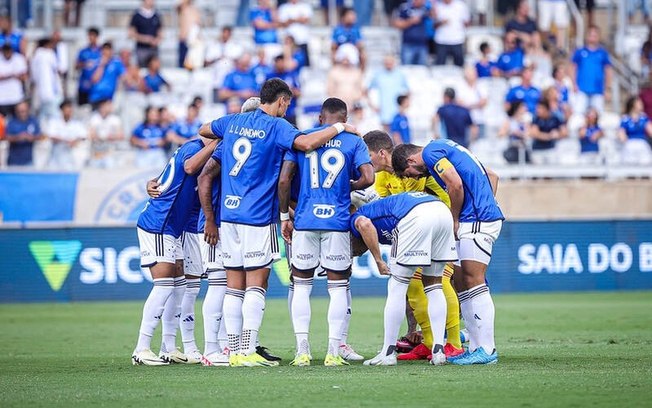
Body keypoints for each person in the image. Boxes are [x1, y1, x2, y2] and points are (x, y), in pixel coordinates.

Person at [197, 78, 357, 367]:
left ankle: (233, 351)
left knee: (234, 284)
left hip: (228, 216)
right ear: (282, 101)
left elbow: (203, 129)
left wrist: (230, 133)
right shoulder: (278, 126)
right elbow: (307, 142)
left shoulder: (233, 121)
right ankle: (247, 351)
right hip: (257, 216)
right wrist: (340, 127)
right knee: (257, 283)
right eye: (287, 103)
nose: (287, 108)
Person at [278, 97, 375, 367]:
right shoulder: (354, 140)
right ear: (344, 118)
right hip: (337, 221)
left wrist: (285, 216)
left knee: (301, 285)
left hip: (306, 220)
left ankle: (302, 350)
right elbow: (369, 178)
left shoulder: (302, 138)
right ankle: (333, 351)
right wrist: (347, 185)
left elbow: (284, 179)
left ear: (321, 118)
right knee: (338, 287)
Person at [392, 140, 504, 365]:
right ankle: (475, 346)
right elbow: (492, 175)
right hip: (475, 218)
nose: (414, 178)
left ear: (411, 160)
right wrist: (485, 202)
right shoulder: (445, 147)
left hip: (476, 221)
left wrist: (457, 217)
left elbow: (455, 184)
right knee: (461, 282)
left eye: (410, 173)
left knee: (474, 281)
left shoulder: (432, 152)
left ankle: (488, 349)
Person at [362, 130, 463, 361]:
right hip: (414, 229)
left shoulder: (418, 164)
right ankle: (432, 343)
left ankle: (453, 343)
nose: (366, 161)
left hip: (437, 222)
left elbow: (447, 191)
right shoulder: (381, 178)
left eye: (368, 155)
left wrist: (455, 220)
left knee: (419, 283)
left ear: (381, 153)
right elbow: (384, 209)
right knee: (423, 286)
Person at [131, 128, 218, 366]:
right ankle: (141, 348)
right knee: (164, 286)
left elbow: (165, 178)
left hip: (173, 226)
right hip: (160, 223)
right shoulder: (194, 149)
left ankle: (168, 347)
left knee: (178, 287)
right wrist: (216, 144)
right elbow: (189, 168)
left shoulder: (190, 148)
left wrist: (154, 182)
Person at [353, 192, 457, 366]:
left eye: (352, 250)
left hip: (414, 216)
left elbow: (364, 224)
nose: (355, 253)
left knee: (397, 286)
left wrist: (378, 260)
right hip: (442, 211)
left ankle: (387, 352)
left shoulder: (356, 217)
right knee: (434, 285)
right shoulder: (380, 209)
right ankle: (439, 351)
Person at [571, 25, 611, 114]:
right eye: (591, 35)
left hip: (598, 90)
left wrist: (607, 88)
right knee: (578, 113)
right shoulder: (580, 52)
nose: (592, 38)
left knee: (598, 115)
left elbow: (608, 70)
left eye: (595, 35)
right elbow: (573, 67)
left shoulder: (603, 53)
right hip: (582, 89)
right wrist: (573, 84)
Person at [367, 54, 409, 131]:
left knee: (398, 136)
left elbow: (408, 92)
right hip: (384, 110)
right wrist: (372, 105)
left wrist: (404, 106)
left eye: (390, 62)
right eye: (386, 62)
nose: (388, 64)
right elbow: (367, 91)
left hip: (397, 110)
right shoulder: (378, 75)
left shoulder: (400, 75)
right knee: (386, 136)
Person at [47, 100, 88, 170]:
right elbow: (51, 136)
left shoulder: (76, 123)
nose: (69, 112)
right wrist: (66, 141)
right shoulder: (54, 122)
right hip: (56, 157)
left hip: (69, 157)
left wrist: (75, 141)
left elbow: (83, 136)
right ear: (61, 110)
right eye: (67, 109)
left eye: (70, 109)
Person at [31, 37, 63, 122]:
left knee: (42, 117)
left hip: (40, 93)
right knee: (54, 117)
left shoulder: (35, 56)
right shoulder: (49, 53)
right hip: (51, 91)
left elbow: (33, 77)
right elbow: (59, 69)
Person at [392, 0, 433, 66]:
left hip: (423, 45)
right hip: (408, 45)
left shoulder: (426, 8)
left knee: (421, 71)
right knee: (407, 69)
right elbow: (396, 24)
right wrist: (410, 21)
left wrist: (432, 5)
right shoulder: (405, 7)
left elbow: (435, 17)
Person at [327, 44, 364, 112]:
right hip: (338, 108)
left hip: (354, 108)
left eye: (348, 59)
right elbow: (330, 91)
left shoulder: (357, 72)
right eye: (344, 58)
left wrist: (353, 102)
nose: (346, 61)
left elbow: (361, 90)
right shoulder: (333, 72)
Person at [529, 100, 568, 164]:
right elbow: (534, 133)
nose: (537, 110)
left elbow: (564, 132)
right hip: (537, 149)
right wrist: (549, 136)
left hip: (551, 148)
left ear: (546, 109)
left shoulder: (555, 118)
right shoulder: (536, 118)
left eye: (540, 108)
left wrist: (558, 134)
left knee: (552, 171)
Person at [266, 55, 301, 126]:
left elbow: (298, 92)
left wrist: (287, 91)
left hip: (290, 111)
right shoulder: (270, 76)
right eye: (278, 62)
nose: (280, 64)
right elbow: (265, 93)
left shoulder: (291, 75)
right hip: (274, 113)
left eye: (282, 62)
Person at [88, 99, 123, 168]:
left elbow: (121, 135)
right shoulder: (94, 118)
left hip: (110, 153)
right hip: (96, 153)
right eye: (108, 105)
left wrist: (103, 137)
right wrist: (105, 136)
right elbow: (91, 135)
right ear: (102, 106)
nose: (111, 107)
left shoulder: (115, 119)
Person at [434, 0, 470, 67]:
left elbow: (467, 22)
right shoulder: (437, 6)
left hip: (457, 40)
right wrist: (441, 23)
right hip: (441, 40)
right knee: (440, 66)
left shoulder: (461, 6)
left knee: (459, 65)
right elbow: (434, 25)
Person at [5, 101, 42, 166]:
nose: (22, 114)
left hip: (29, 160)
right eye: (19, 111)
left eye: (24, 111)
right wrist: (18, 137)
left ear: (28, 110)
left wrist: (31, 137)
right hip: (13, 160)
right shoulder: (12, 122)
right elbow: (6, 137)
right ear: (16, 111)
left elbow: (40, 136)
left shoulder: (33, 121)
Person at [618, 96, 652, 165]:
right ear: (633, 105)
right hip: (630, 143)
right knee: (629, 164)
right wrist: (625, 140)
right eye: (639, 103)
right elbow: (621, 133)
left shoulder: (643, 117)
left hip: (642, 143)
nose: (642, 105)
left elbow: (650, 130)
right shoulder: (625, 119)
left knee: (645, 163)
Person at [278, 0, 313, 67]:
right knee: (288, 63)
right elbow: (283, 23)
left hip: (302, 40)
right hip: (289, 43)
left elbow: (306, 20)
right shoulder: (283, 7)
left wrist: (291, 19)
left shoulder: (305, 6)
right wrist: (298, 19)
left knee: (304, 64)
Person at [129, 0, 163, 68]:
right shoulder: (137, 15)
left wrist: (156, 40)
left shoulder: (156, 15)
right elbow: (131, 33)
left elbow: (160, 31)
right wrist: (145, 39)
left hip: (153, 49)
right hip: (142, 49)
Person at [460, 67, 488, 139]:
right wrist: (476, 105)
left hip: (479, 120)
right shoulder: (461, 86)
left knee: (482, 144)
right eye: (470, 73)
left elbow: (483, 102)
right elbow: (460, 104)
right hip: (466, 122)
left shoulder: (481, 86)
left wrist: (469, 106)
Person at [76, 27, 101, 105]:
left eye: (93, 36)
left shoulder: (101, 51)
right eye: (89, 35)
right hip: (84, 86)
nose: (91, 38)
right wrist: (85, 64)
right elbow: (76, 66)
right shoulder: (83, 51)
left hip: (95, 87)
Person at [0, 43, 27, 117]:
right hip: (2, 99)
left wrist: (5, 76)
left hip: (16, 97)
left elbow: (24, 77)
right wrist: (12, 75)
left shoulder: (18, 58)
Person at [177, 0, 201, 69]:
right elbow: (178, 7)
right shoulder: (183, 8)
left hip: (192, 42)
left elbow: (197, 26)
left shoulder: (195, 11)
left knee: (192, 63)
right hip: (184, 39)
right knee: (182, 64)